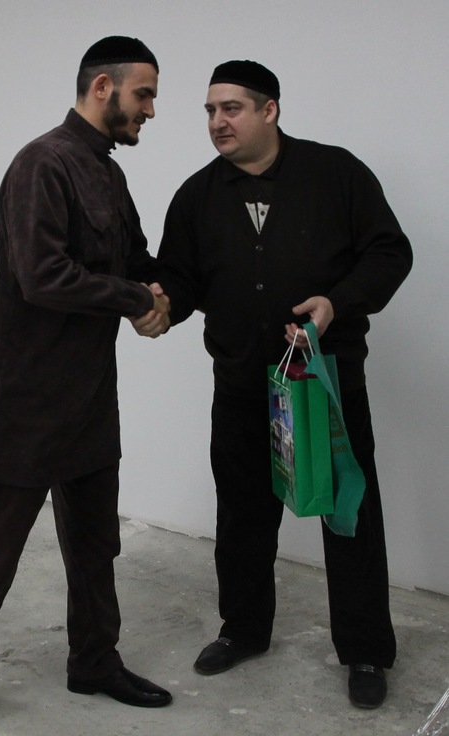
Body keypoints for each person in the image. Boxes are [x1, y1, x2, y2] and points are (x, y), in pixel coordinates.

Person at [133, 59, 412, 709]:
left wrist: (336, 303)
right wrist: (160, 309)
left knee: (347, 514)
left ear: (269, 110)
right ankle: (244, 630)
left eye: (231, 108)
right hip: (239, 383)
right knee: (241, 513)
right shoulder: (198, 195)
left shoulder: (336, 174)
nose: (217, 122)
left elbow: (389, 252)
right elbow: (182, 279)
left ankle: (366, 649)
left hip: (322, 382)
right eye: (209, 110)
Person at [0, 36, 173, 736]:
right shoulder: (41, 164)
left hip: (91, 399)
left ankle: (94, 661)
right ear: (103, 87)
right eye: (143, 94)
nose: (150, 110)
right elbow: (43, 277)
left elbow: (136, 260)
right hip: (27, 400)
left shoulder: (109, 174)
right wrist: (136, 300)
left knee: (96, 545)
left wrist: (165, 292)